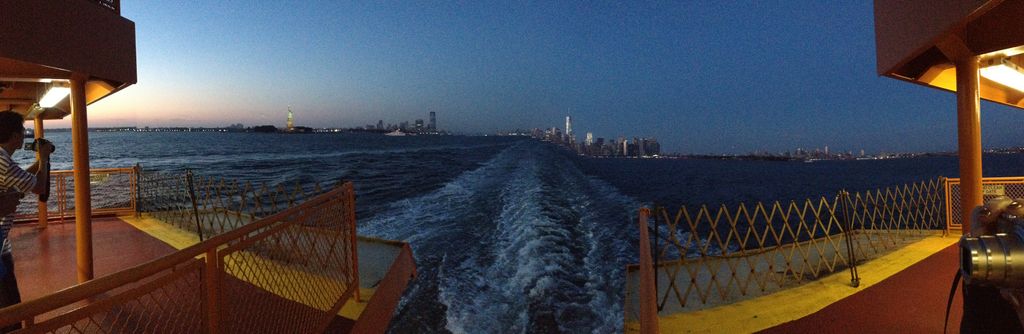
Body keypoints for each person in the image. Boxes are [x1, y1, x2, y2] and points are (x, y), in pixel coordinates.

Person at [0, 111, 51, 332]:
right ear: (14, 136)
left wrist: (39, 161)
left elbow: (25, 179)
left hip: (2, 245)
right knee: (9, 311)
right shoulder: (2, 161)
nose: (25, 136)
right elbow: (39, 187)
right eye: (23, 132)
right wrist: (46, 158)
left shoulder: (3, 160)